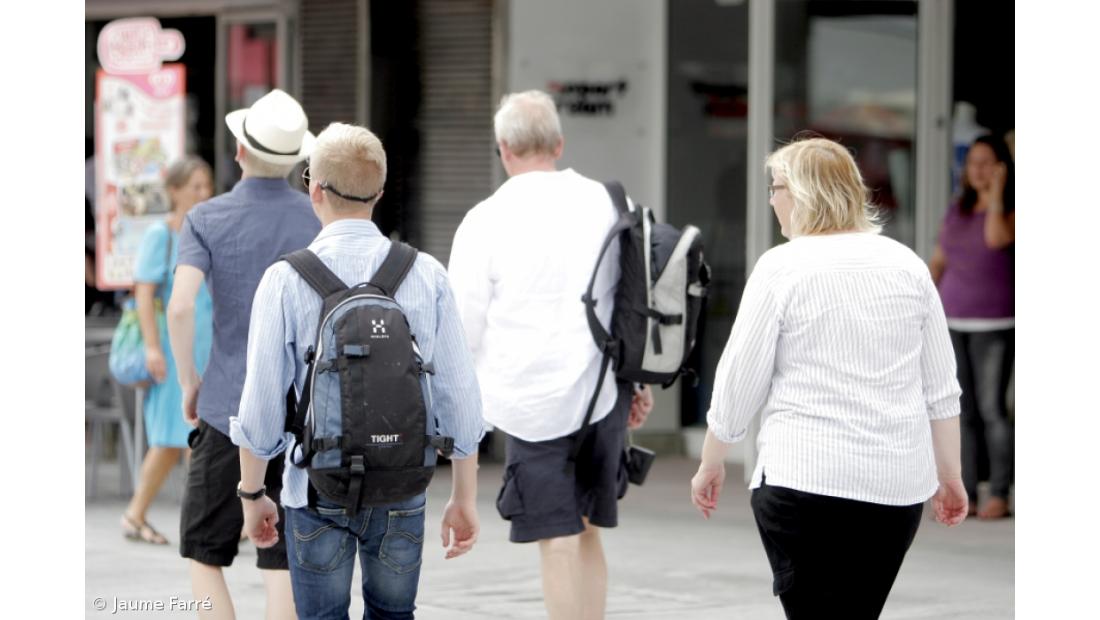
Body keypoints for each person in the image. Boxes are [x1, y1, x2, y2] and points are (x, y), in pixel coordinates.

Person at [689, 137, 968, 620]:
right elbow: (941, 391)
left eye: (776, 187)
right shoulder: (908, 266)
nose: (772, 199)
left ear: (802, 193)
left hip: (804, 482)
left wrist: (712, 460)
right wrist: (951, 477)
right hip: (894, 489)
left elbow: (739, 380)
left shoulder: (781, 268)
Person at [232, 122, 485, 619]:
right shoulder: (425, 273)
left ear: (315, 188)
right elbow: (459, 395)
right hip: (402, 485)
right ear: (380, 192)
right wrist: (463, 496)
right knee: (394, 614)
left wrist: (253, 493)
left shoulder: (284, 279)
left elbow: (260, 404)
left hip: (314, 486)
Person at [448, 90, 654, 620]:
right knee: (586, 532)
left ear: (503, 148)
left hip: (529, 403)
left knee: (556, 541)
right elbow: (631, 301)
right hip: (602, 394)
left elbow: (462, 328)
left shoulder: (485, 219)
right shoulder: (611, 201)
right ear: (559, 143)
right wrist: (636, 381)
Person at [168, 89, 320, 620]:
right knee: (281, 556)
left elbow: (181, 305)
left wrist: (191, 379)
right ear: (295, 160)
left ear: (238, 151)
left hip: (225, 405)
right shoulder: (317, 220)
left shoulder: (206, 218)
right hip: (302, 411)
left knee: (204, 551)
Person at [120, 156, 215, 545]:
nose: (203, 193)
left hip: (205, 346)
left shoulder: (205, 231)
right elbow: (143, 295)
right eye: (195, 185)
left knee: (198, 439)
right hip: (173, 347)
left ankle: (201, 520)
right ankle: (136, 514)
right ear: (174, 190)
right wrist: (153, 349)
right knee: (166, 440)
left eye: (206, 185)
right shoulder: (161, 236)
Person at [928, 134, 1015, 520]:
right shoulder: (956, 209)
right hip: (952, 318)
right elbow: (939, 259)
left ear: (1001, 168)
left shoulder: (1010, 209)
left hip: (994, 321)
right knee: (962, 410)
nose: (976, 169)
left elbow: (996, 238)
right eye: (973, 162)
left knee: (993, 408)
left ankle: (999, 491)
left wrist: (997, 192)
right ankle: (970, 492)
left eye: (986, 163)